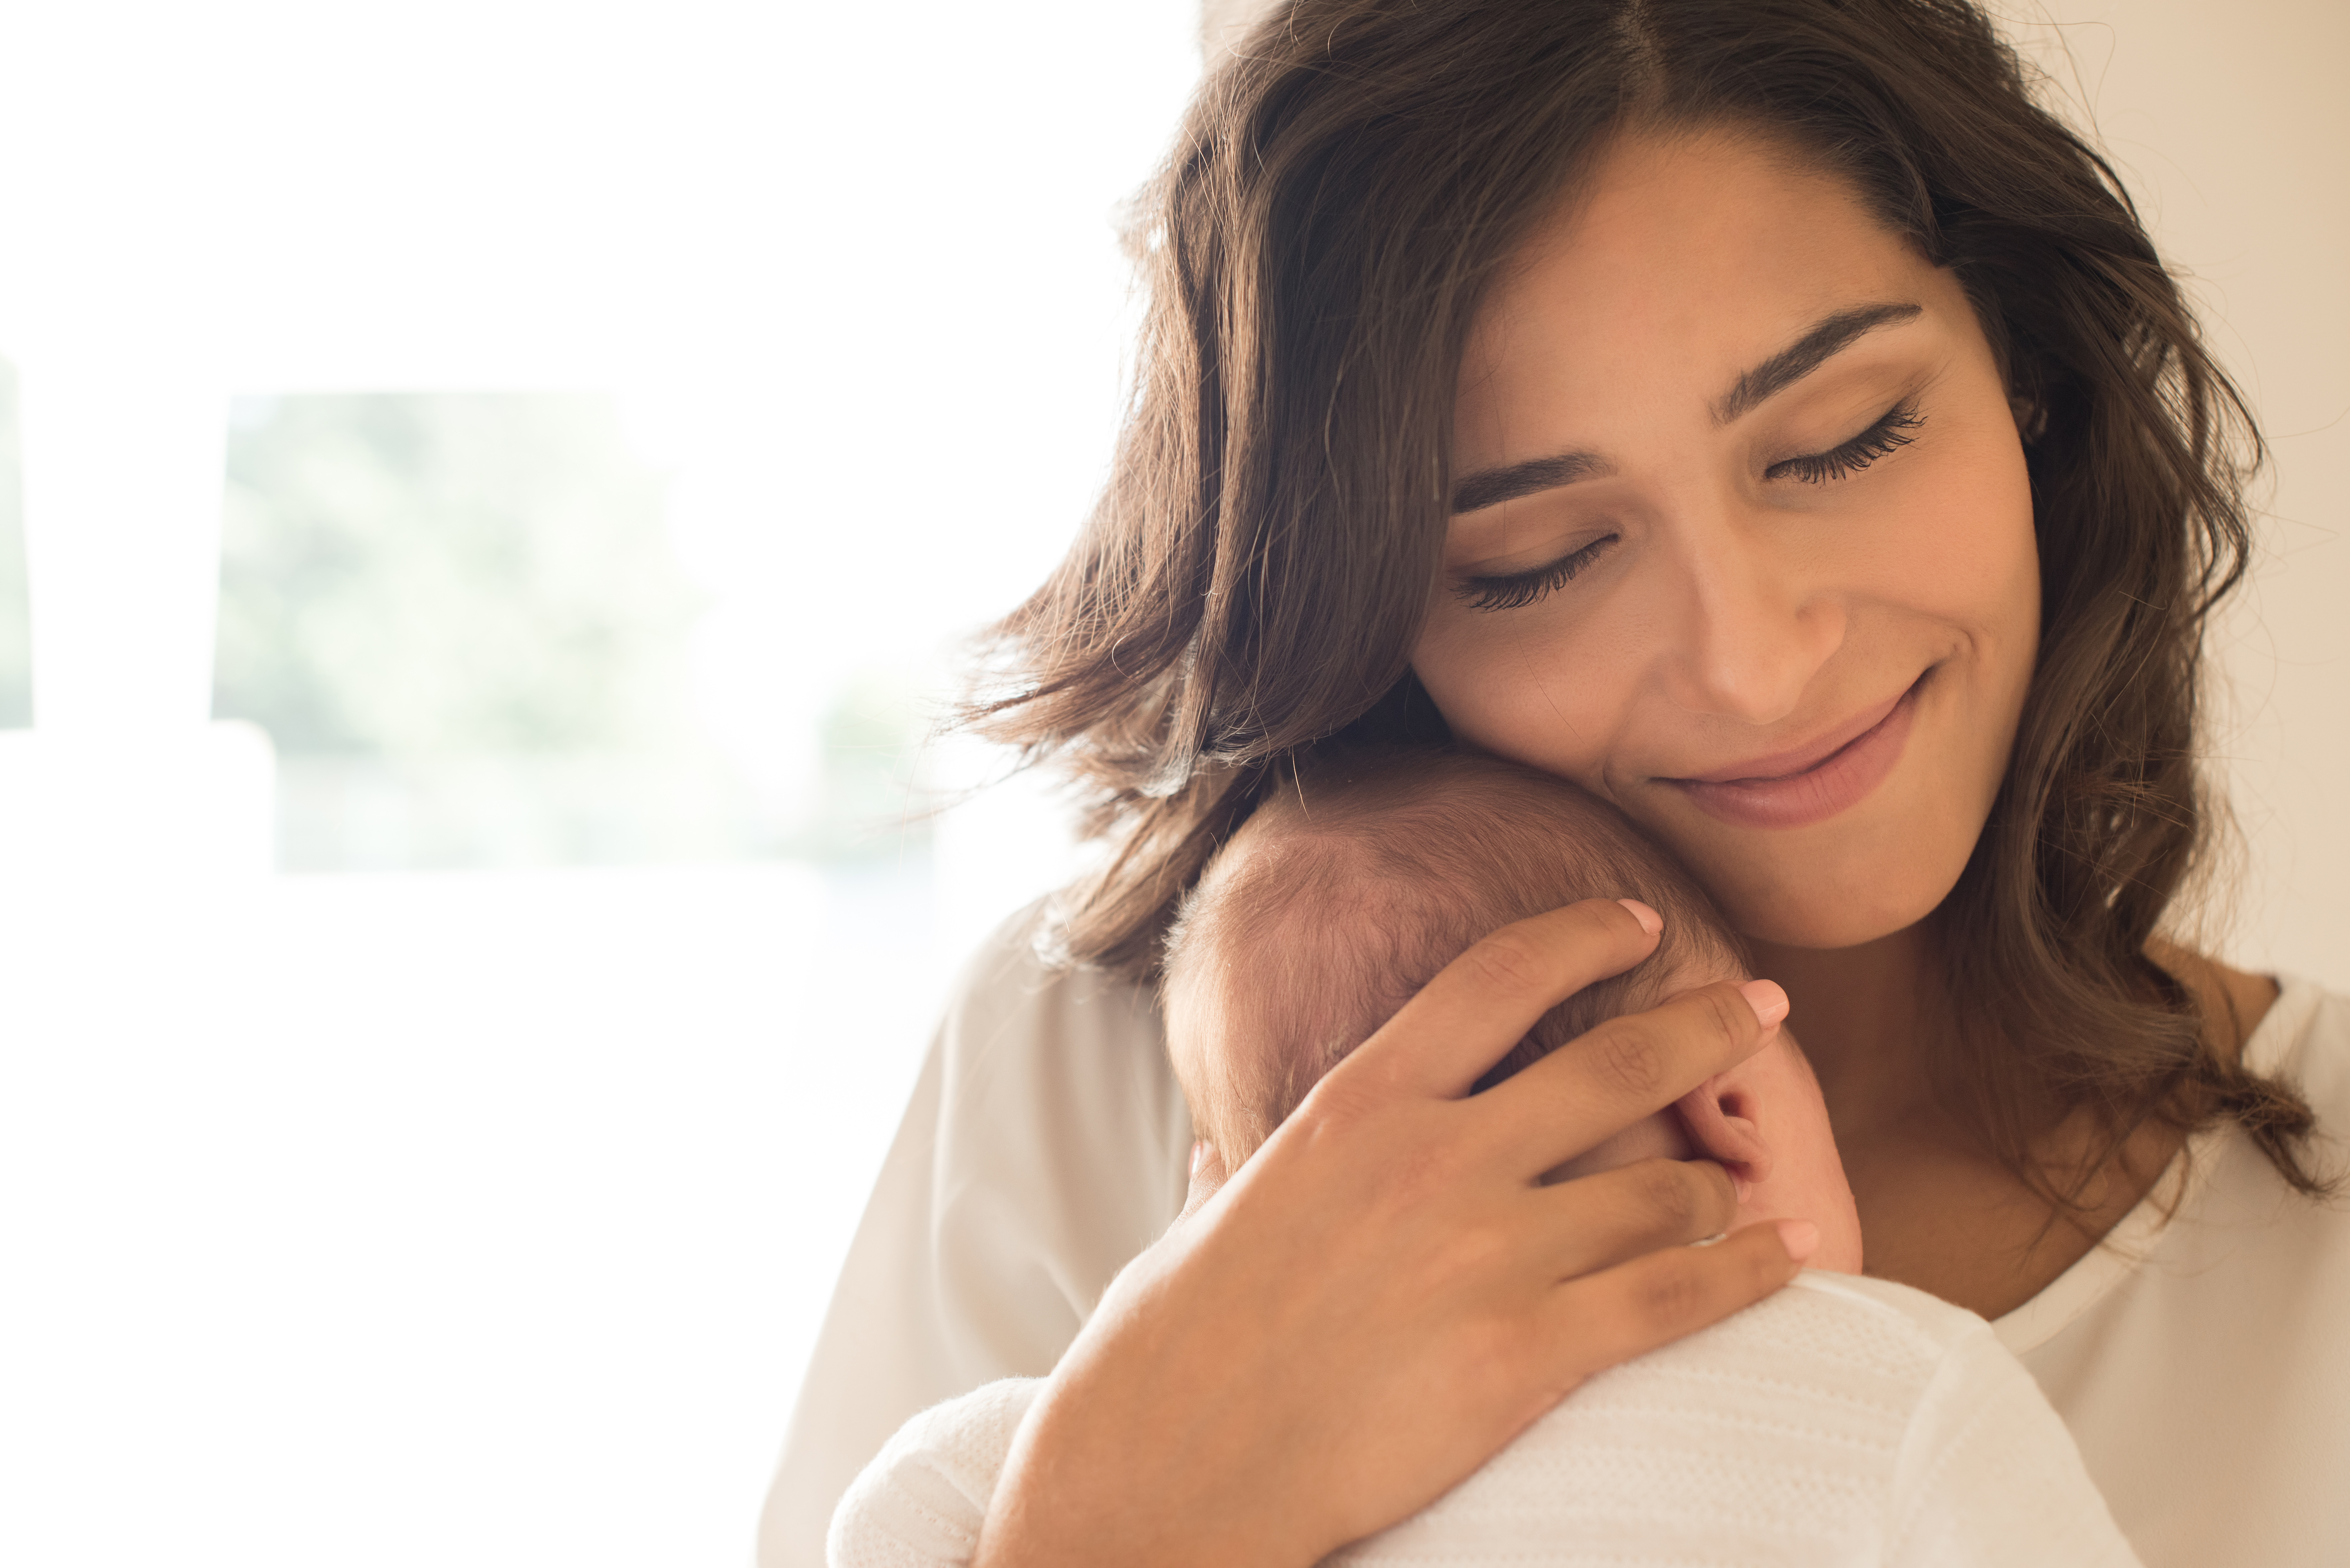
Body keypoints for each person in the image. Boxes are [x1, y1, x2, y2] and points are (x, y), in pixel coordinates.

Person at [760, 3, 2350, 1564]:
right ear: (1374, 620)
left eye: (1847, 440)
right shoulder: (1077, 1075)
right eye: (1538, 561)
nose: (1755, 662)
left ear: (2033, 385)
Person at [827, 747, 2143, 1566]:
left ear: (1216, 1203)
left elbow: (882, 1524)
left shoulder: (1081, 1432)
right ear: (1732, 1116)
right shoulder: (1899, 1385)